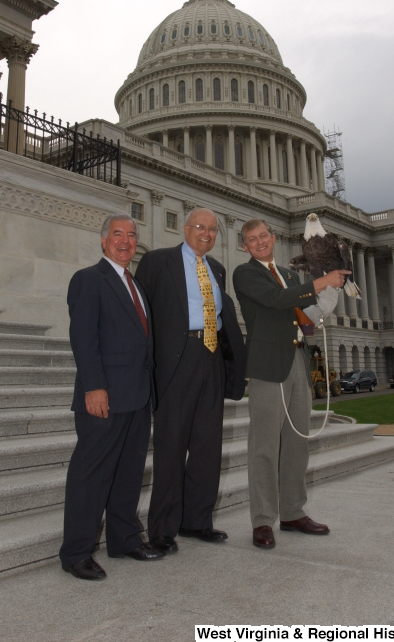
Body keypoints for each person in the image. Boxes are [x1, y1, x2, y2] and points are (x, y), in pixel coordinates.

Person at [232, 219, 351, 550]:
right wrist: (320, 281)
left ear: (273, 238)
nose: (259, 242)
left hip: (297, 360)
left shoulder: (290, 274)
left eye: (263, 236)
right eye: (251, 239)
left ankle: (292, 512)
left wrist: (328, 294)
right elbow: (275, 300)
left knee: (298, 443)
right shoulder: (245, 274)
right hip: (267, 366)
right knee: (264, 447)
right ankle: (262, 520)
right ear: (245, 246)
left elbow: (304, 315)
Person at [59, 213, 164, 580]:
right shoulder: (89, 279)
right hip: (103, 397)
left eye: (131, 235)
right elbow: (83, 339)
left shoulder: (135, 286)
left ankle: (125, 541)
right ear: (104, 241)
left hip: (137, 398)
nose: (125, 241)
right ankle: (76, 552)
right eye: (117, 234)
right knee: (91, 475)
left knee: (129, 475)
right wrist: (93, 386)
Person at [135, 207, 246, 554]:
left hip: (210, 359)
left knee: (207, 446)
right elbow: (141, 315)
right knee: (170, 447)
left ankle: (197, 520)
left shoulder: (216, 269)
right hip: (176, 361)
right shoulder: (157, 262)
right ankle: (163, 529)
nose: (207, 234)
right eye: (201, 227)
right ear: (185, 229)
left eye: (213, 230)